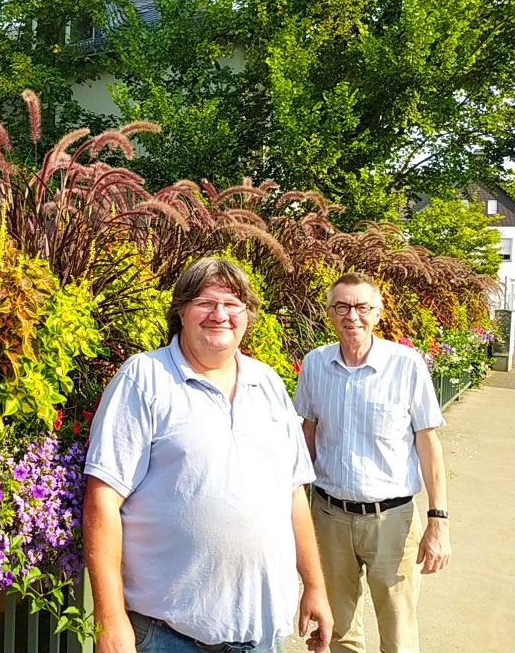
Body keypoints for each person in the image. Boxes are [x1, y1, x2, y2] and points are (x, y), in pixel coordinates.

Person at [83, 257, 332, 653]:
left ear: (247, 315)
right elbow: (103, 499)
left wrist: (315, 586)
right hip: (167, 636)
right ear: (181, 311)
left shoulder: (266, 382)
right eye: (204, 302)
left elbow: (294, 495)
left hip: (259, 634)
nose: (220, 314)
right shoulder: (144, 377)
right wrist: (110, 620)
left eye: (233, 304)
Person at [294, 272, 452, 653]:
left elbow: (428, 444)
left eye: (362, 307)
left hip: (392, 521)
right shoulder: (315, 364)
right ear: (330, 312)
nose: (353, 316)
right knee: (339, 630)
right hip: (329, 518)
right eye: (342, 306)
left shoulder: (406, 365)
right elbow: (307, 438)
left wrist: (438, 521)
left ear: (378, 313)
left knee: (398, 633)